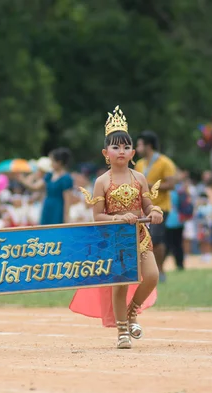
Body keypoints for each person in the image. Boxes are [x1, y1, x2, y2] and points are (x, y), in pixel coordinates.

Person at [70, 106, 162, 349]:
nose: (121, 151)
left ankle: (133, 311)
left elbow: (148, 204)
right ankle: (122, 330)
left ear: (133, 152)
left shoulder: (139, 178)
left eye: (125, 147)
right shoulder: (101, 182)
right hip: (116, 238)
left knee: (152, 275)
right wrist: (118, 219)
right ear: (105, 152)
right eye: (115, 147)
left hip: (140, 235)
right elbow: (97, 216)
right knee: (120, 283)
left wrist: (155, 212)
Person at [135, 130, 176, 282]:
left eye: (139, 145)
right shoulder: (139, 164)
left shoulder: (165, 162)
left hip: (160, 207)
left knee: (157, 240)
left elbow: (171, 184)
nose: (137, 149)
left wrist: (149, 186)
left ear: (148, 145)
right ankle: (146, 272)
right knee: (143, 241)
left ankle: (161, 270)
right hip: (142, 209)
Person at [17, 147, 74, 225]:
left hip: (58, 208)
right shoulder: (49, 175)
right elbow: (35, 187)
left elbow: (67, 200)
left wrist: (66, 217)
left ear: (59, 162)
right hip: (47, 206)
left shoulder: (66, 178)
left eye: (52, 161)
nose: (51, 164)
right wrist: (22, 180)